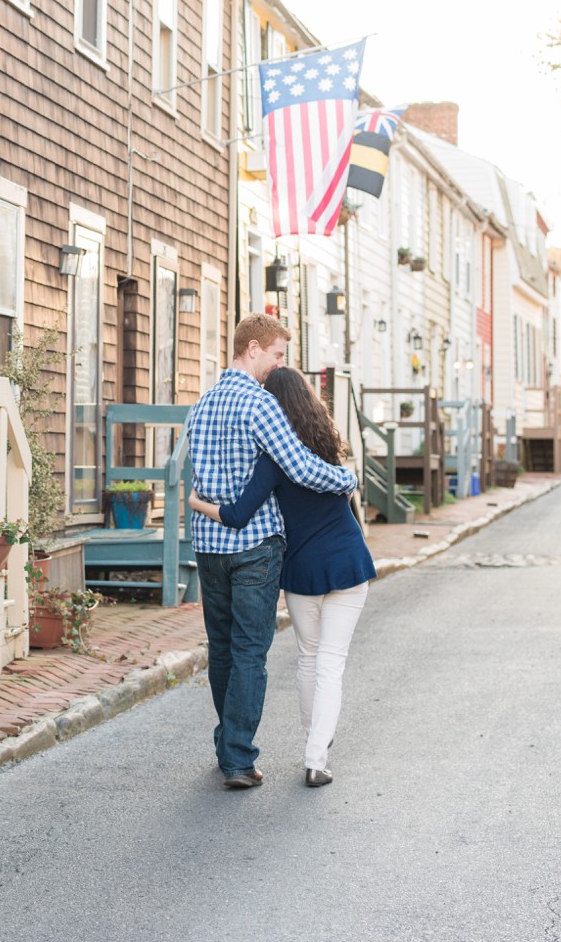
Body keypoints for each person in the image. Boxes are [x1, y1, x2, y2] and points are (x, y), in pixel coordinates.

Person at [188, 313, 357, 791]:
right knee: (248, 650)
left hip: (209, 543)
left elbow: (197, 477)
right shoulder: (260, 404)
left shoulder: (200, 405)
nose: (278, 365)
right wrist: (346, 478)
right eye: (277, 355)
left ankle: (229, 747)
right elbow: (301, 467)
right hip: (255, 545)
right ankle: (238, 759)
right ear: (254, 348)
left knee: (221, 648)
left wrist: (203, 505)